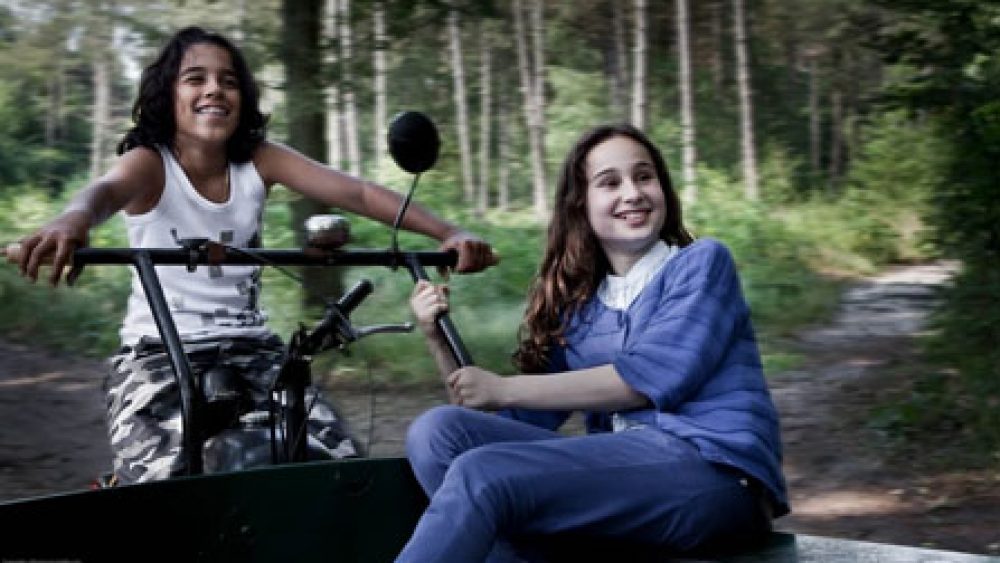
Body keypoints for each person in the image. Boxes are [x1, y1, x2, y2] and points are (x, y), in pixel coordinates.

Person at [6, 26, 496, 485]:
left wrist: (449, 231)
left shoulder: (258, 159)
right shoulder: (151, 161)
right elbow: (105, 192)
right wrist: (72, 222)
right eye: (195, 79)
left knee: (335, 466)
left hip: (254, 349)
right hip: (159, 353)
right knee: (161, 483)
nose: (214, 90)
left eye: (229, 81)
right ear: (167, 96)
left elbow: (359, 193)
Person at [400, 123, 788, 561]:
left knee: (483, 472)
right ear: (581, 204)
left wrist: (503, 386)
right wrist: (437, 337)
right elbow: (511, 414)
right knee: (439, 433)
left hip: (713, 474)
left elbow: (645, 380)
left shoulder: (700, 264)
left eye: (644, 177)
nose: (633, 193)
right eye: (610, 183)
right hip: (628, 479)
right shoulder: (579, 308)